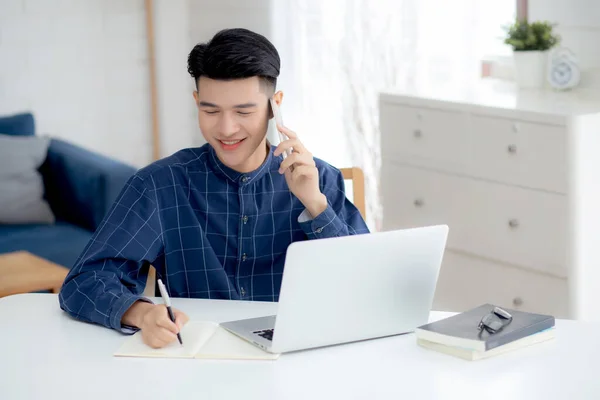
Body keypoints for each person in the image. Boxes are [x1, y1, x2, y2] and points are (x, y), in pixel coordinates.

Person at [59, 28, 369, 349]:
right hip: (199, 358)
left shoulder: (320, 180)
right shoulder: (160, 184)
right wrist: (141, 313)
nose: (226, 129)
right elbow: (83, 283)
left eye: (243, 111)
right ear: (196, 102)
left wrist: (315, 205)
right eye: (210, 111)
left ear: (275, 105)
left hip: (300, 354)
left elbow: (367, 286)